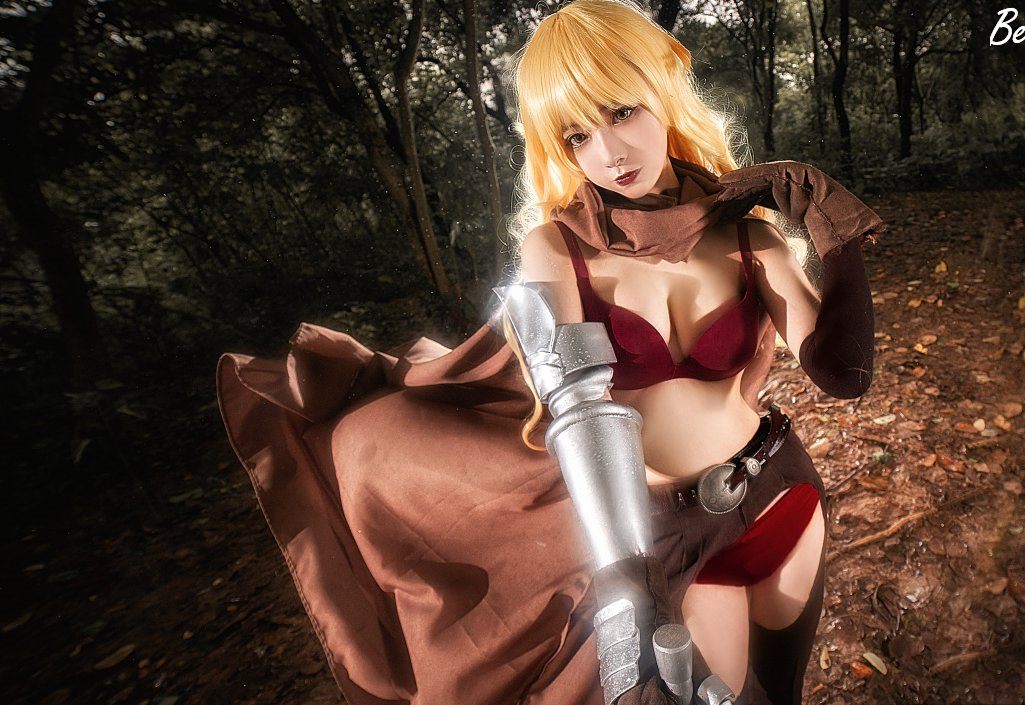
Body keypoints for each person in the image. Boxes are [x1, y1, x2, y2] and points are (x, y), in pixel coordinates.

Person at [215, 1, 885, 703]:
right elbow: (579, 413)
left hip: (780, 490)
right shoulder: (558, 250)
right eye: (577, 135)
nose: (609, 152)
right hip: (668, 534)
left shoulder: (753, 240)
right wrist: (626, 584)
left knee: (785, 692)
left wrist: (833, 228)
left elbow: (844, 374)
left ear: (662, 90)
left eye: (621, 111)